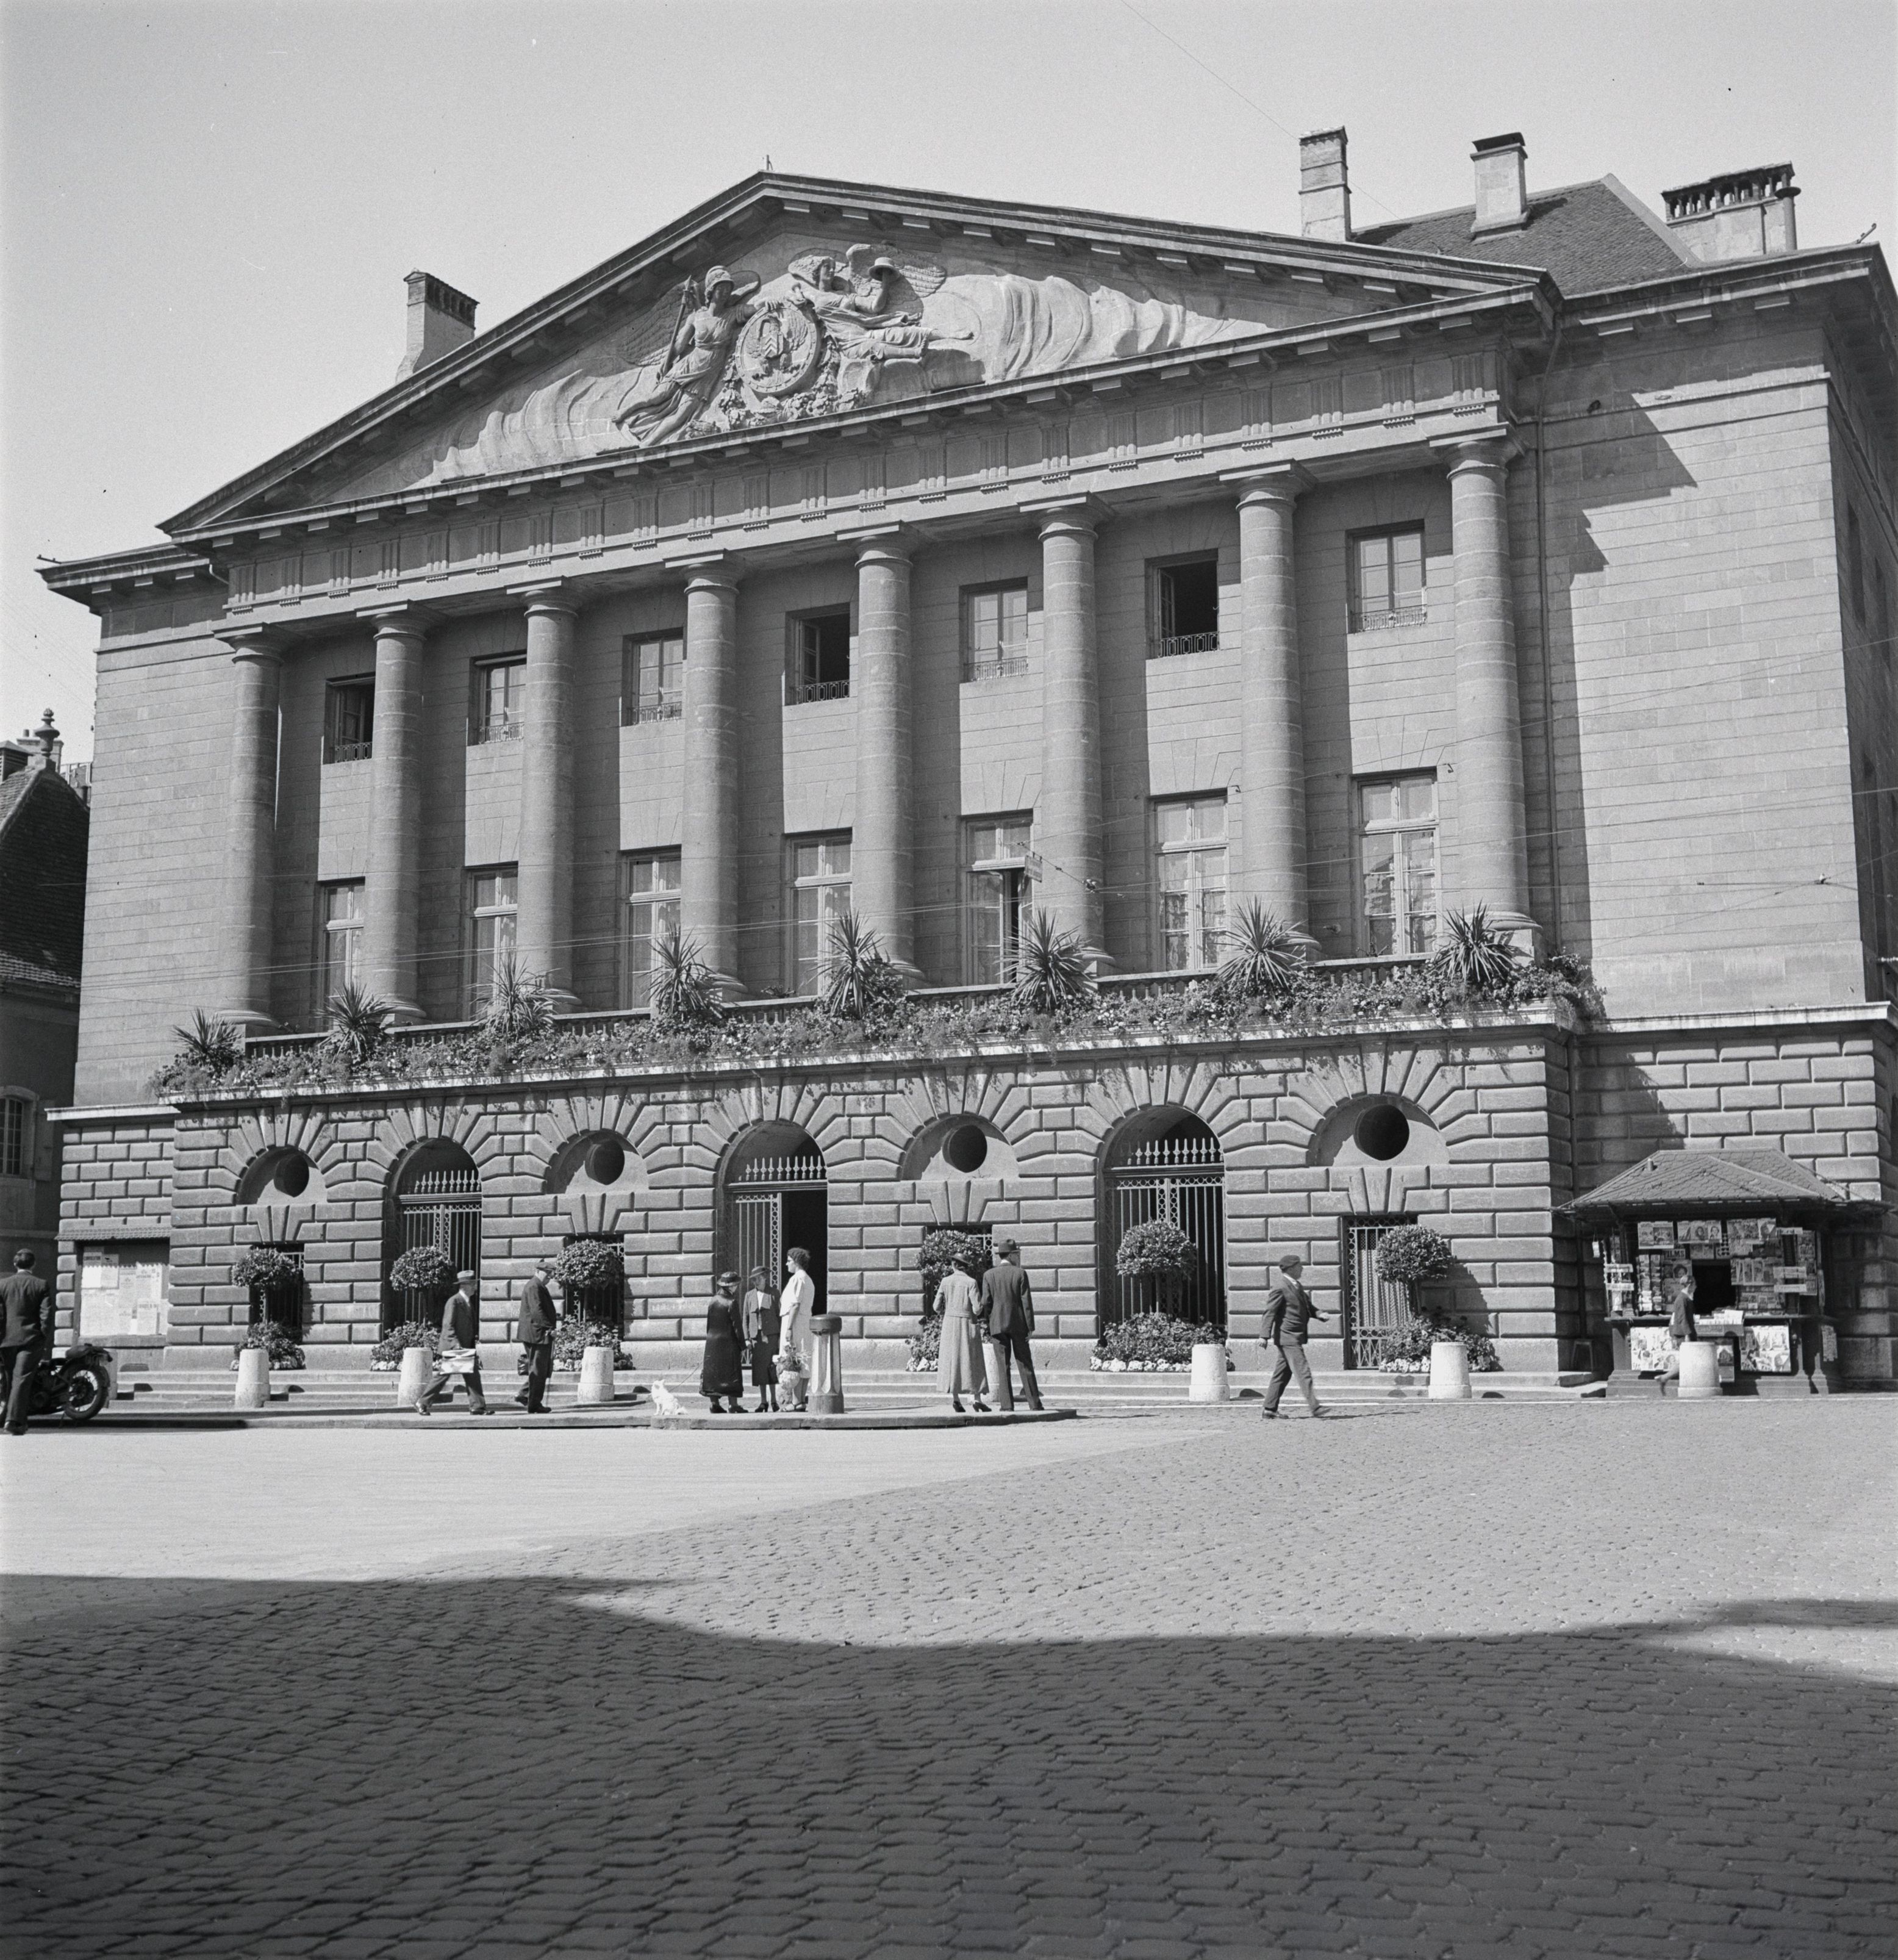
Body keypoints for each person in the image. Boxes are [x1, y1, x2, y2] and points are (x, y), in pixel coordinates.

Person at [979, 1238, 1044, 1413]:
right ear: (1011, 1255)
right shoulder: (1020, 1273)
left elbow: (985, 1302)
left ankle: (1007, 1405)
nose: (1017, 1257)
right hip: (1019, 1325)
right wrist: (1030, 1327)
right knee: (1025, 1364)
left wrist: (990, 1320)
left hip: (997, 1325)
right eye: (1016, 1254)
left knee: (1003, 1366)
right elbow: (1026, 1303)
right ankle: (1035, 1404)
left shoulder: (989, 1275)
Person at [1260, 1255, 1327, 1420]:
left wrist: (1319, 1314)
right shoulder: (1281, 1287)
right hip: (1288, 1337)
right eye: (1299, 1266)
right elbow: (1270, 1312)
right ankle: (1315, 1407)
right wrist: (1264, 1336)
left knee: (1282, 1374)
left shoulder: (1297, 1286)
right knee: (1303, 1371)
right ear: (1291, 1269)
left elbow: (1308, 1307)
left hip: (1295, 1336)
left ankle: (1269, 1409)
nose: (1302, 1268)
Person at [415, 1269, 490, 1415]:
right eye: (473, 1284)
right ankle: (422, 1402)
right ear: (464, 1286)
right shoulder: (454, 1301)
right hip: (455, 1347)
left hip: (464, 1347)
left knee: (473, 1376)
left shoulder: (467, 1302)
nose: (475, 1287)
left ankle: (477, 1406)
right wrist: (455, 1344)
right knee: (443, 1376)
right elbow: (448, 1325)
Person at [1, 1249, 53, 1435]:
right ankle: (13, 1421)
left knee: (11, 1381)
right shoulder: (41, 1284)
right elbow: (46, 1315)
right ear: (34, 1265)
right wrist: (43, 1336)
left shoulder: (3, 1285)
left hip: (7, 1341)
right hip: (31, 1340)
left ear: (15, 1264)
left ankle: (16, 1421)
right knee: (21, 1380)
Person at [934, 1251, 990, 1415]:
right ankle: (977, 1400)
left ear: (954, 1265)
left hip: (949, 1325)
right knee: (973, 1360)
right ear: (965, 1266)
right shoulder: (971, 1282)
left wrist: (948, 1311)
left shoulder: (945, 1281)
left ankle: (956, 1399)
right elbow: (977, 1309)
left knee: (952, 1360)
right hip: (967, 1324)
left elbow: (936, 1307)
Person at [513, 1259, 557, 1413]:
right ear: (538, 1271)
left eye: (551, 1274)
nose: (550, 1277)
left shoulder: (538, 1286)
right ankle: (534, 1404)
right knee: (539, 1369)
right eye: (547, 1273)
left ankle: (525, 1395)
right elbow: (536, 1311)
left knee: (539, 1368)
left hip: (537, 1333)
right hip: (537, 1334)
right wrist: (550, 1328)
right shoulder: (534, 1286)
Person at [701, 1271, 747, 1413]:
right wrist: (742, 1345)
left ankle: (714, 1403)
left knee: (713, 1372)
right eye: (736, 1285)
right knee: (732, 1373)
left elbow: (709, 1323)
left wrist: (710, 1340)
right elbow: (737, 1326)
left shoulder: (713, 1300)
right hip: (729, 1342)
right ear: (732, 1286)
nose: (737, 1287)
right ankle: (733, 1405)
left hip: (712, 1342)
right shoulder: (732, 1302)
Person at [742, 1266, 780, 1413]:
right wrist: (747, 1339)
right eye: (754, 1280)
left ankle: (774, 1401)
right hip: (756, 1339)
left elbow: (779, 1316)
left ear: (765, 1277)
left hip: (771, 1337)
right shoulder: (749, 1295)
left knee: (772, 1369)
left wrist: (780, 1338)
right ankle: (763, 1402)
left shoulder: (774, 1293)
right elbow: (745, 1319)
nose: (756, 1282)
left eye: (758, 1278)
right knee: (760, 1370)